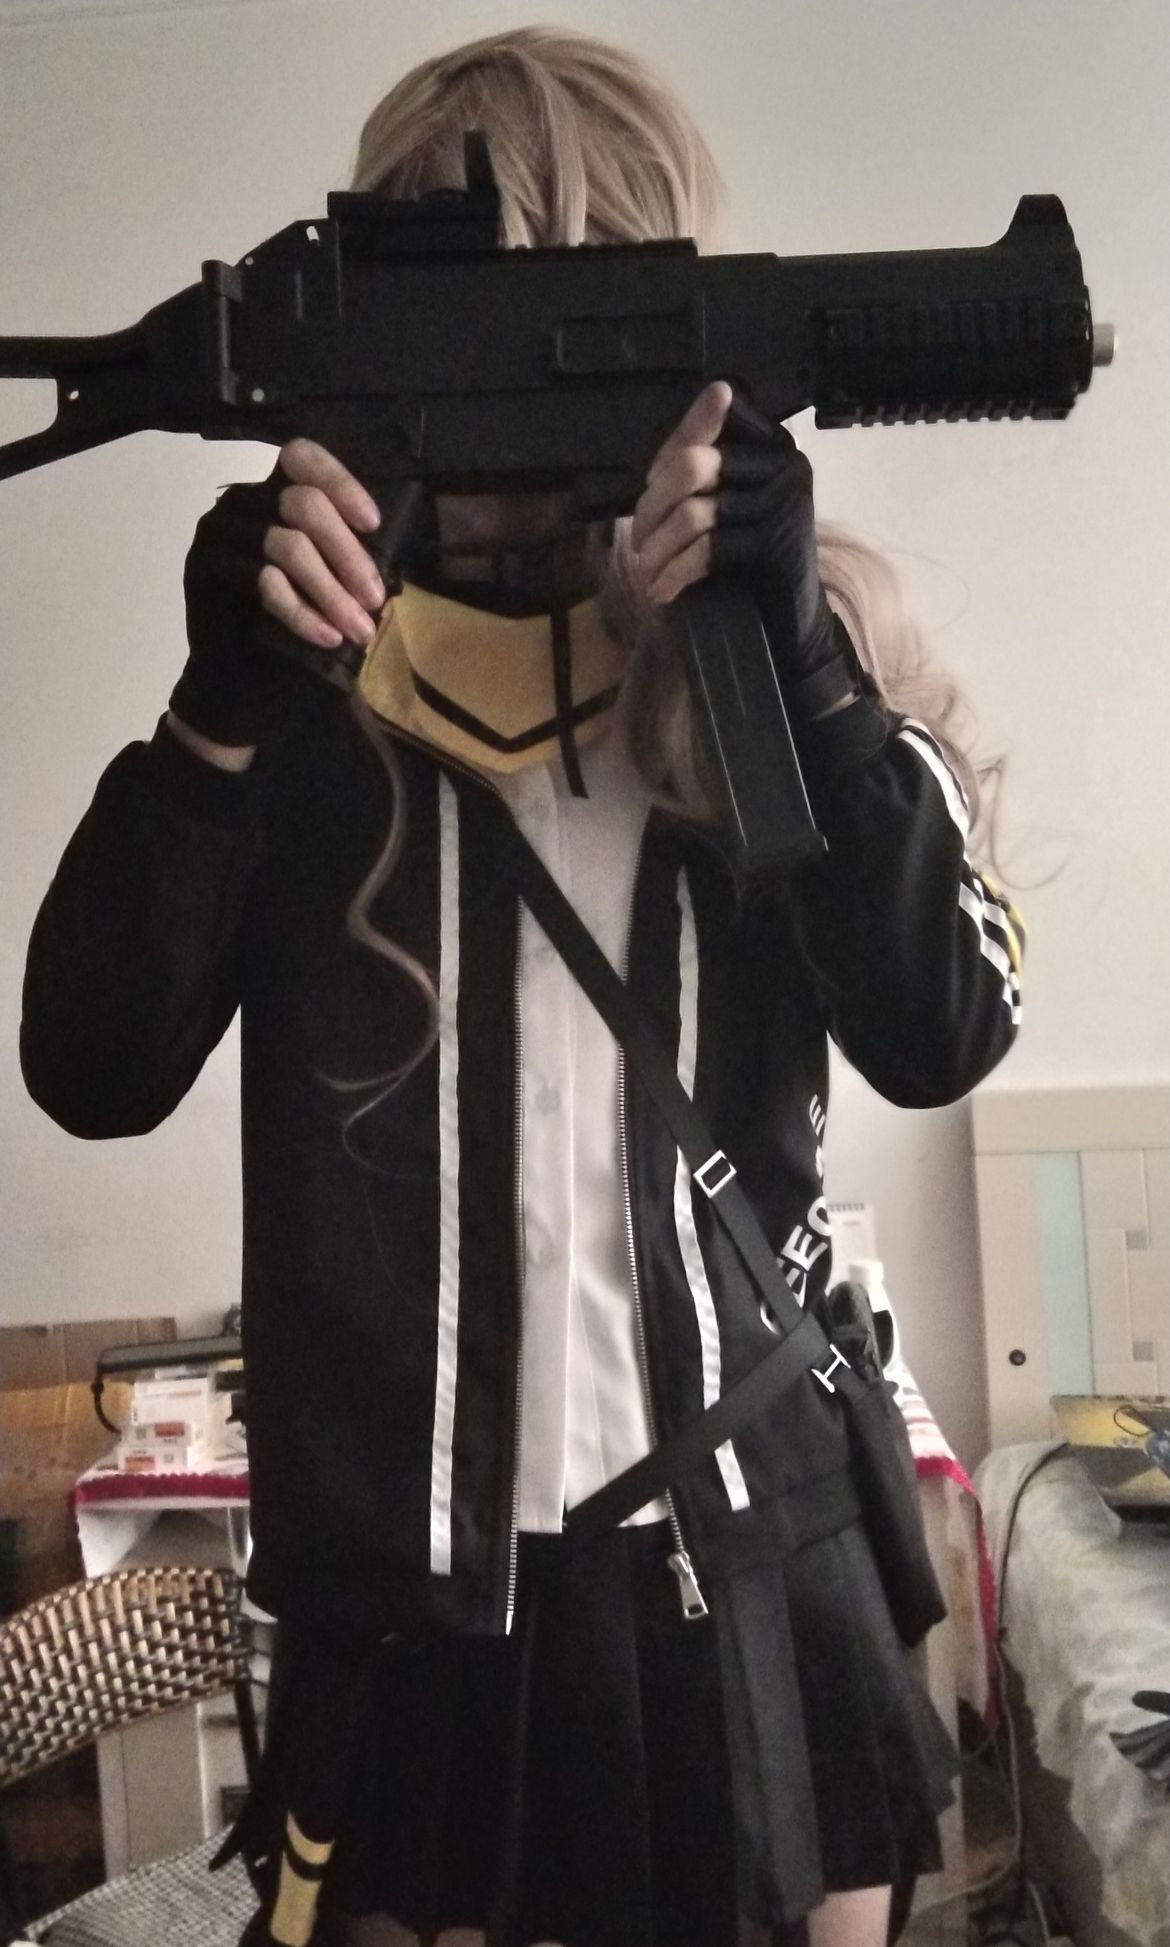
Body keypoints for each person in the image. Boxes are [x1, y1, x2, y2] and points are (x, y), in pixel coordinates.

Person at [19, 25, 1025, 1947]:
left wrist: (797, 661)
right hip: (415, 1612)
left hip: (753, 1551)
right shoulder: (301, 686)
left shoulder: (784, 662)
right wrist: (212, 724)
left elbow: (941, 1028)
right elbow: (90, 1066)